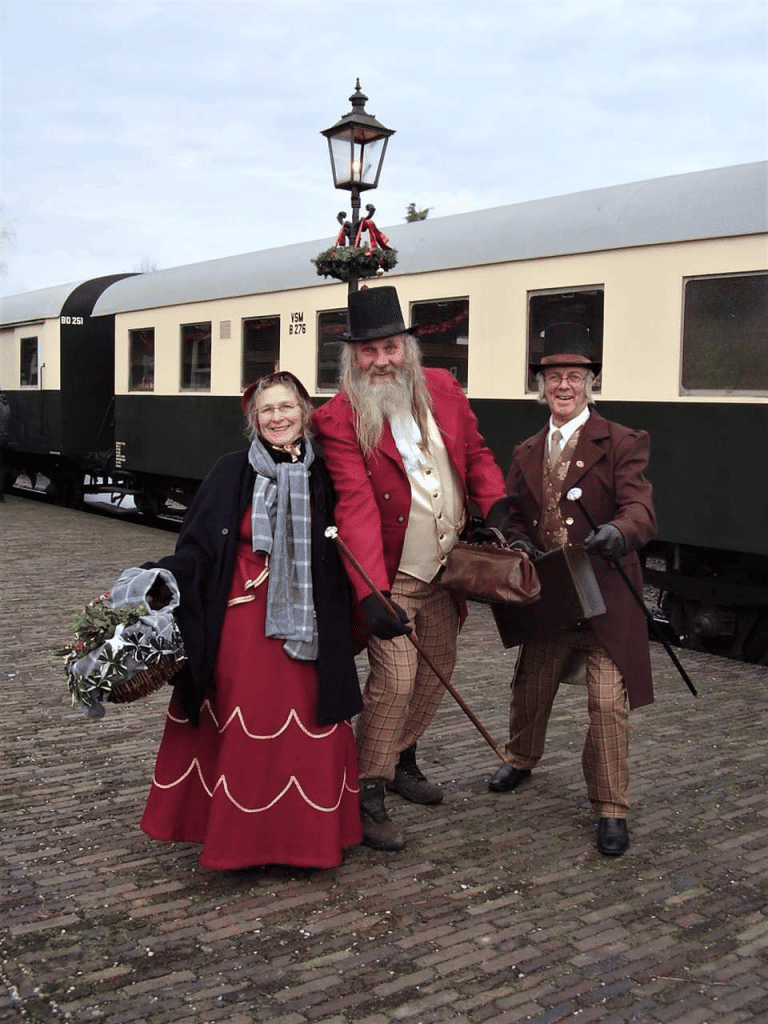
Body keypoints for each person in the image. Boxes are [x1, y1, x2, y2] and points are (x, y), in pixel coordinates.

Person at [134, 371, 363, 870]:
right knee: (246, 719)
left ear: (305, 413)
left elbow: (355, 541)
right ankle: (241, 846)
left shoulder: (326, 476)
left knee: (312, 720)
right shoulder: (229, 471)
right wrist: (159, 576)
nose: (277, 418)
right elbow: (197, 548)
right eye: (266, 410)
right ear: (254, 420)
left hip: (309, 620)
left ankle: (305, 845)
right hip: (240, 614)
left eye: (286, 407)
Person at [313, 286, 508, 852]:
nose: (381, 361)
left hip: (448, 568)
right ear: (352, 357)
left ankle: (401, 760)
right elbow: (355, 506)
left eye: (390, 347)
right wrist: (372, 593)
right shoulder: (339, 418)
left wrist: (495, 504)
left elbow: (476, 454)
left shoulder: (442, 387)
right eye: (368, 351)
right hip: (393, 573)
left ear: (408, 347)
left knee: (436, 670)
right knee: (395, 681)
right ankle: (365, 791)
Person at [487, 322, 657, 857]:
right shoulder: (527, 449)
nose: (564, 385)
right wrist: (517, 540)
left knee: (607, 705)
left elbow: (640, 508)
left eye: (575, 377)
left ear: (591, 383)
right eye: (554, 376)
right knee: (531, 688)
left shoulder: (622, 441)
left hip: (605, 598)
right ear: (542, 385)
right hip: (552, 597)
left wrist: (620, 532)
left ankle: (611, 808)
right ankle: (520, 759)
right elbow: (516, 514)